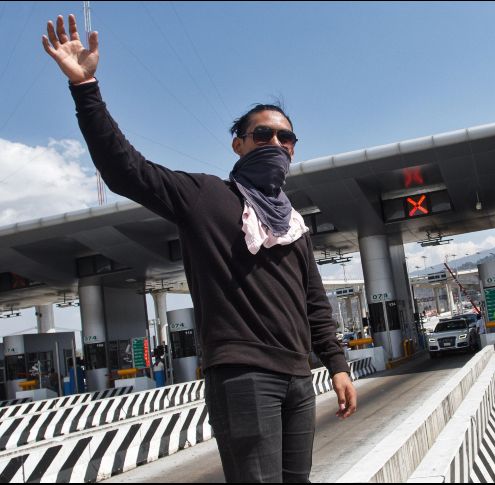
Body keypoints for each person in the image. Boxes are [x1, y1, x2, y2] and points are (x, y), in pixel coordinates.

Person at [42, 15, 356, 483]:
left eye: (285, 137)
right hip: (243, 376)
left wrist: (336, 364)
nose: (276, 142)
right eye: (263, 135)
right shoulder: (205, 196)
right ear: (238, 145)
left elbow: (314, 301)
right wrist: (86, 87)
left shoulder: (293, 223)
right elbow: (126, 170)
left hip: (297, 377)